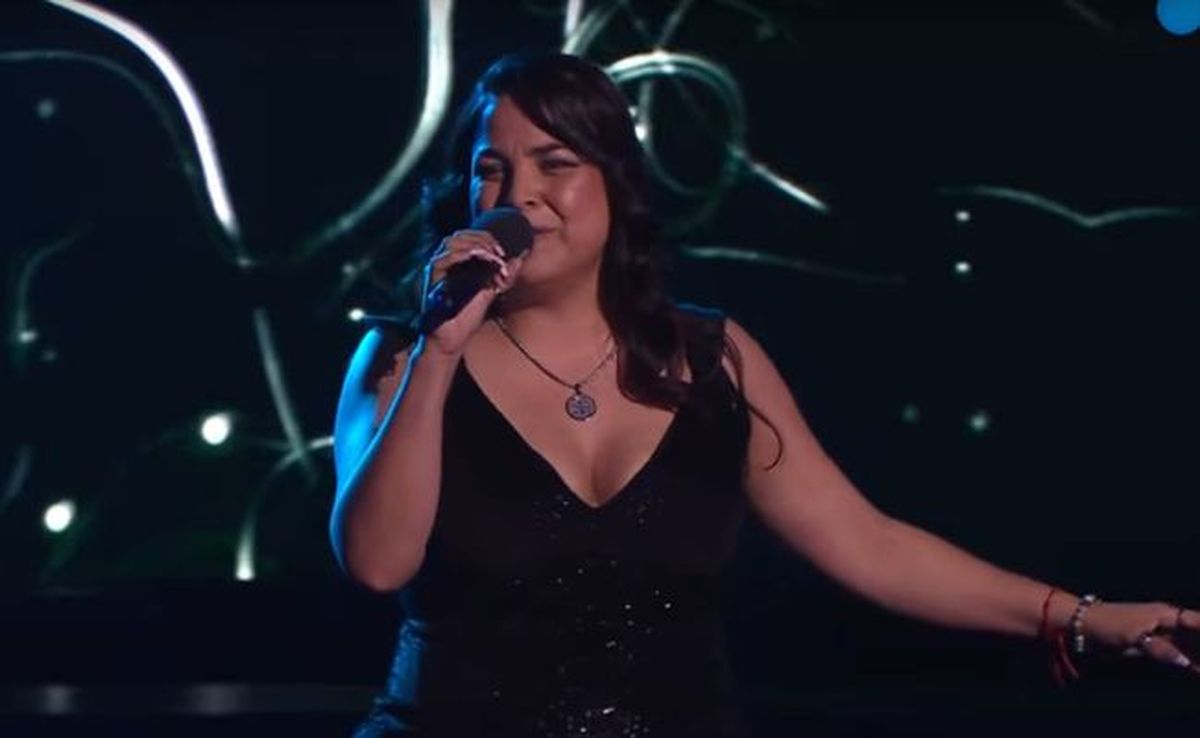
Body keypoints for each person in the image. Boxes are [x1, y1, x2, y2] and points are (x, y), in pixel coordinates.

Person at [329, 51, 1197, 737]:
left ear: (615, 184)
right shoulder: (402, 357)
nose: (519, 195)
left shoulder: (715, 358)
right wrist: (442, 349)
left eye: (554, 163)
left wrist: (1081, 617)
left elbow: (868, 545)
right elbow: (377, 563)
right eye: (491, 170)